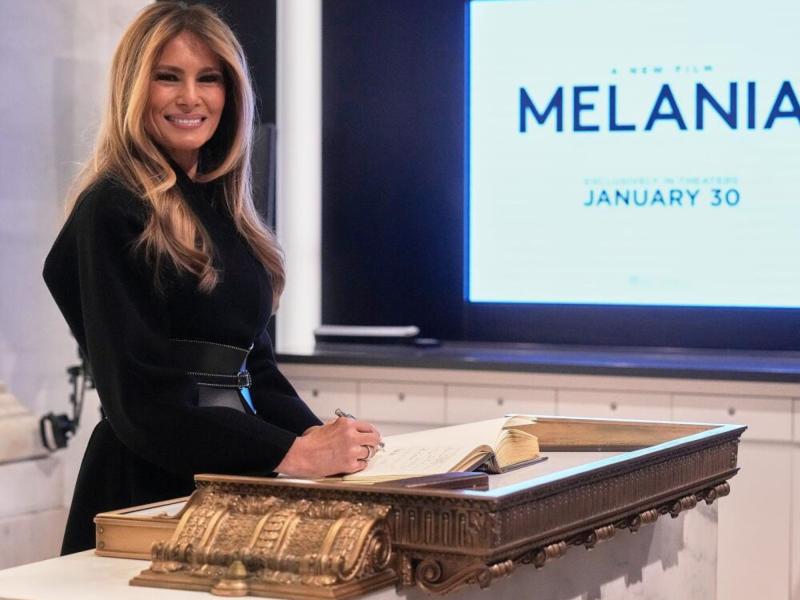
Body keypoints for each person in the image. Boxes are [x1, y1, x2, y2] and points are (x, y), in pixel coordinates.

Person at [43, 2, 381, 555]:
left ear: (232, 94)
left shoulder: (227, 214)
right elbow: (141, 400)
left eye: (209, 79)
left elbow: (256, 371)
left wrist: (323, 442)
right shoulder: (110, 208)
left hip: (235, 479)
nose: (190, 98)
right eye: (167, 77)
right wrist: (293, 453)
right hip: (146, 488)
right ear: (133, 88)